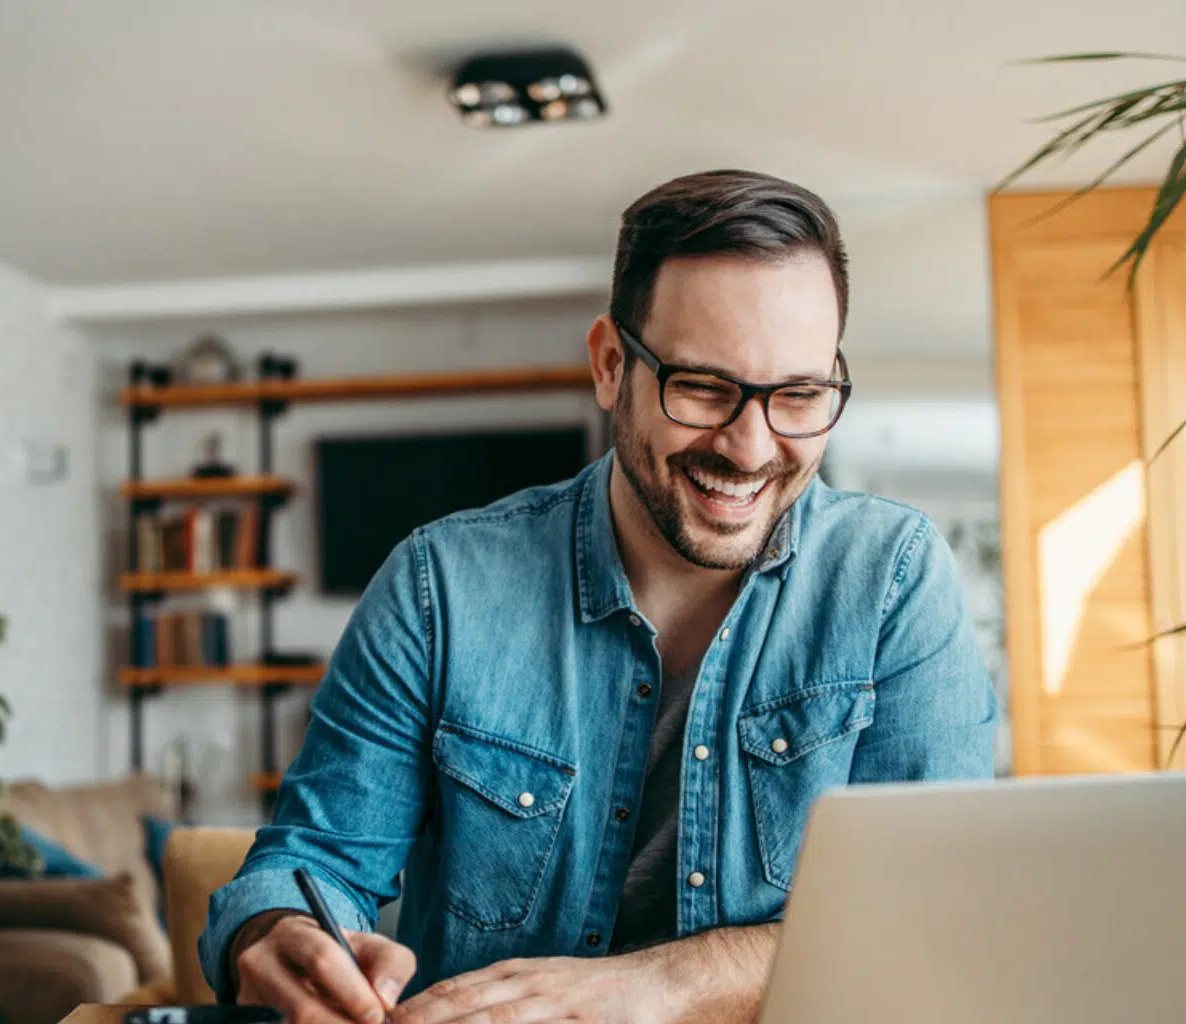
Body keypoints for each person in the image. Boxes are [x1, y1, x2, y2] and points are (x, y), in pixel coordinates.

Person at [199, 169, 998, 1024]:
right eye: (704, 387)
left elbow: (925, 918)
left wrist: (659, 985)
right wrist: (275, 931)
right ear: (611, 364)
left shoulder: (894, 579)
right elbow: (314, 861)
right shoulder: (439, 587)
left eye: (800, 395)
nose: (751, 446)